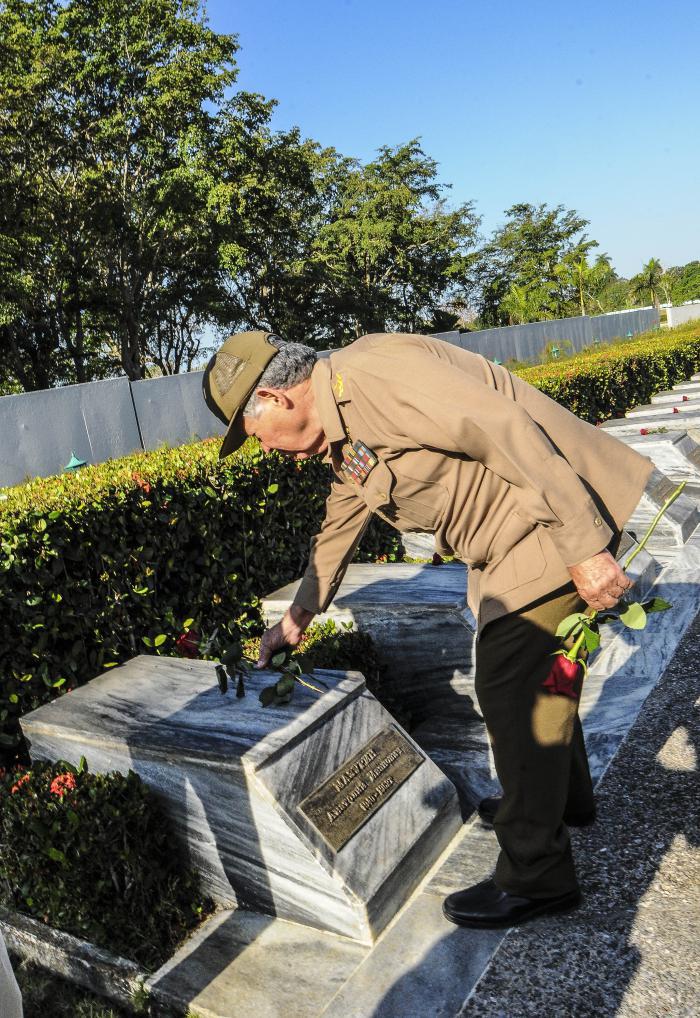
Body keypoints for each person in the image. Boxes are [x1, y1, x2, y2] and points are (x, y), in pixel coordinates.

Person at [202, 329, 653, 928]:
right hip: (509, 542)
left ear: (276, 397)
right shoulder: (343, 424)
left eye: (255, 434)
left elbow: (502, 427)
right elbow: (343, 516)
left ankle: (537, 873)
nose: (264, 450)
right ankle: (555, 801)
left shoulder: (372, 376)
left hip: (545, 525)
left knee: (510, 687)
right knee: (546, 676)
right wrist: (298, 615)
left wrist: (584, 545)